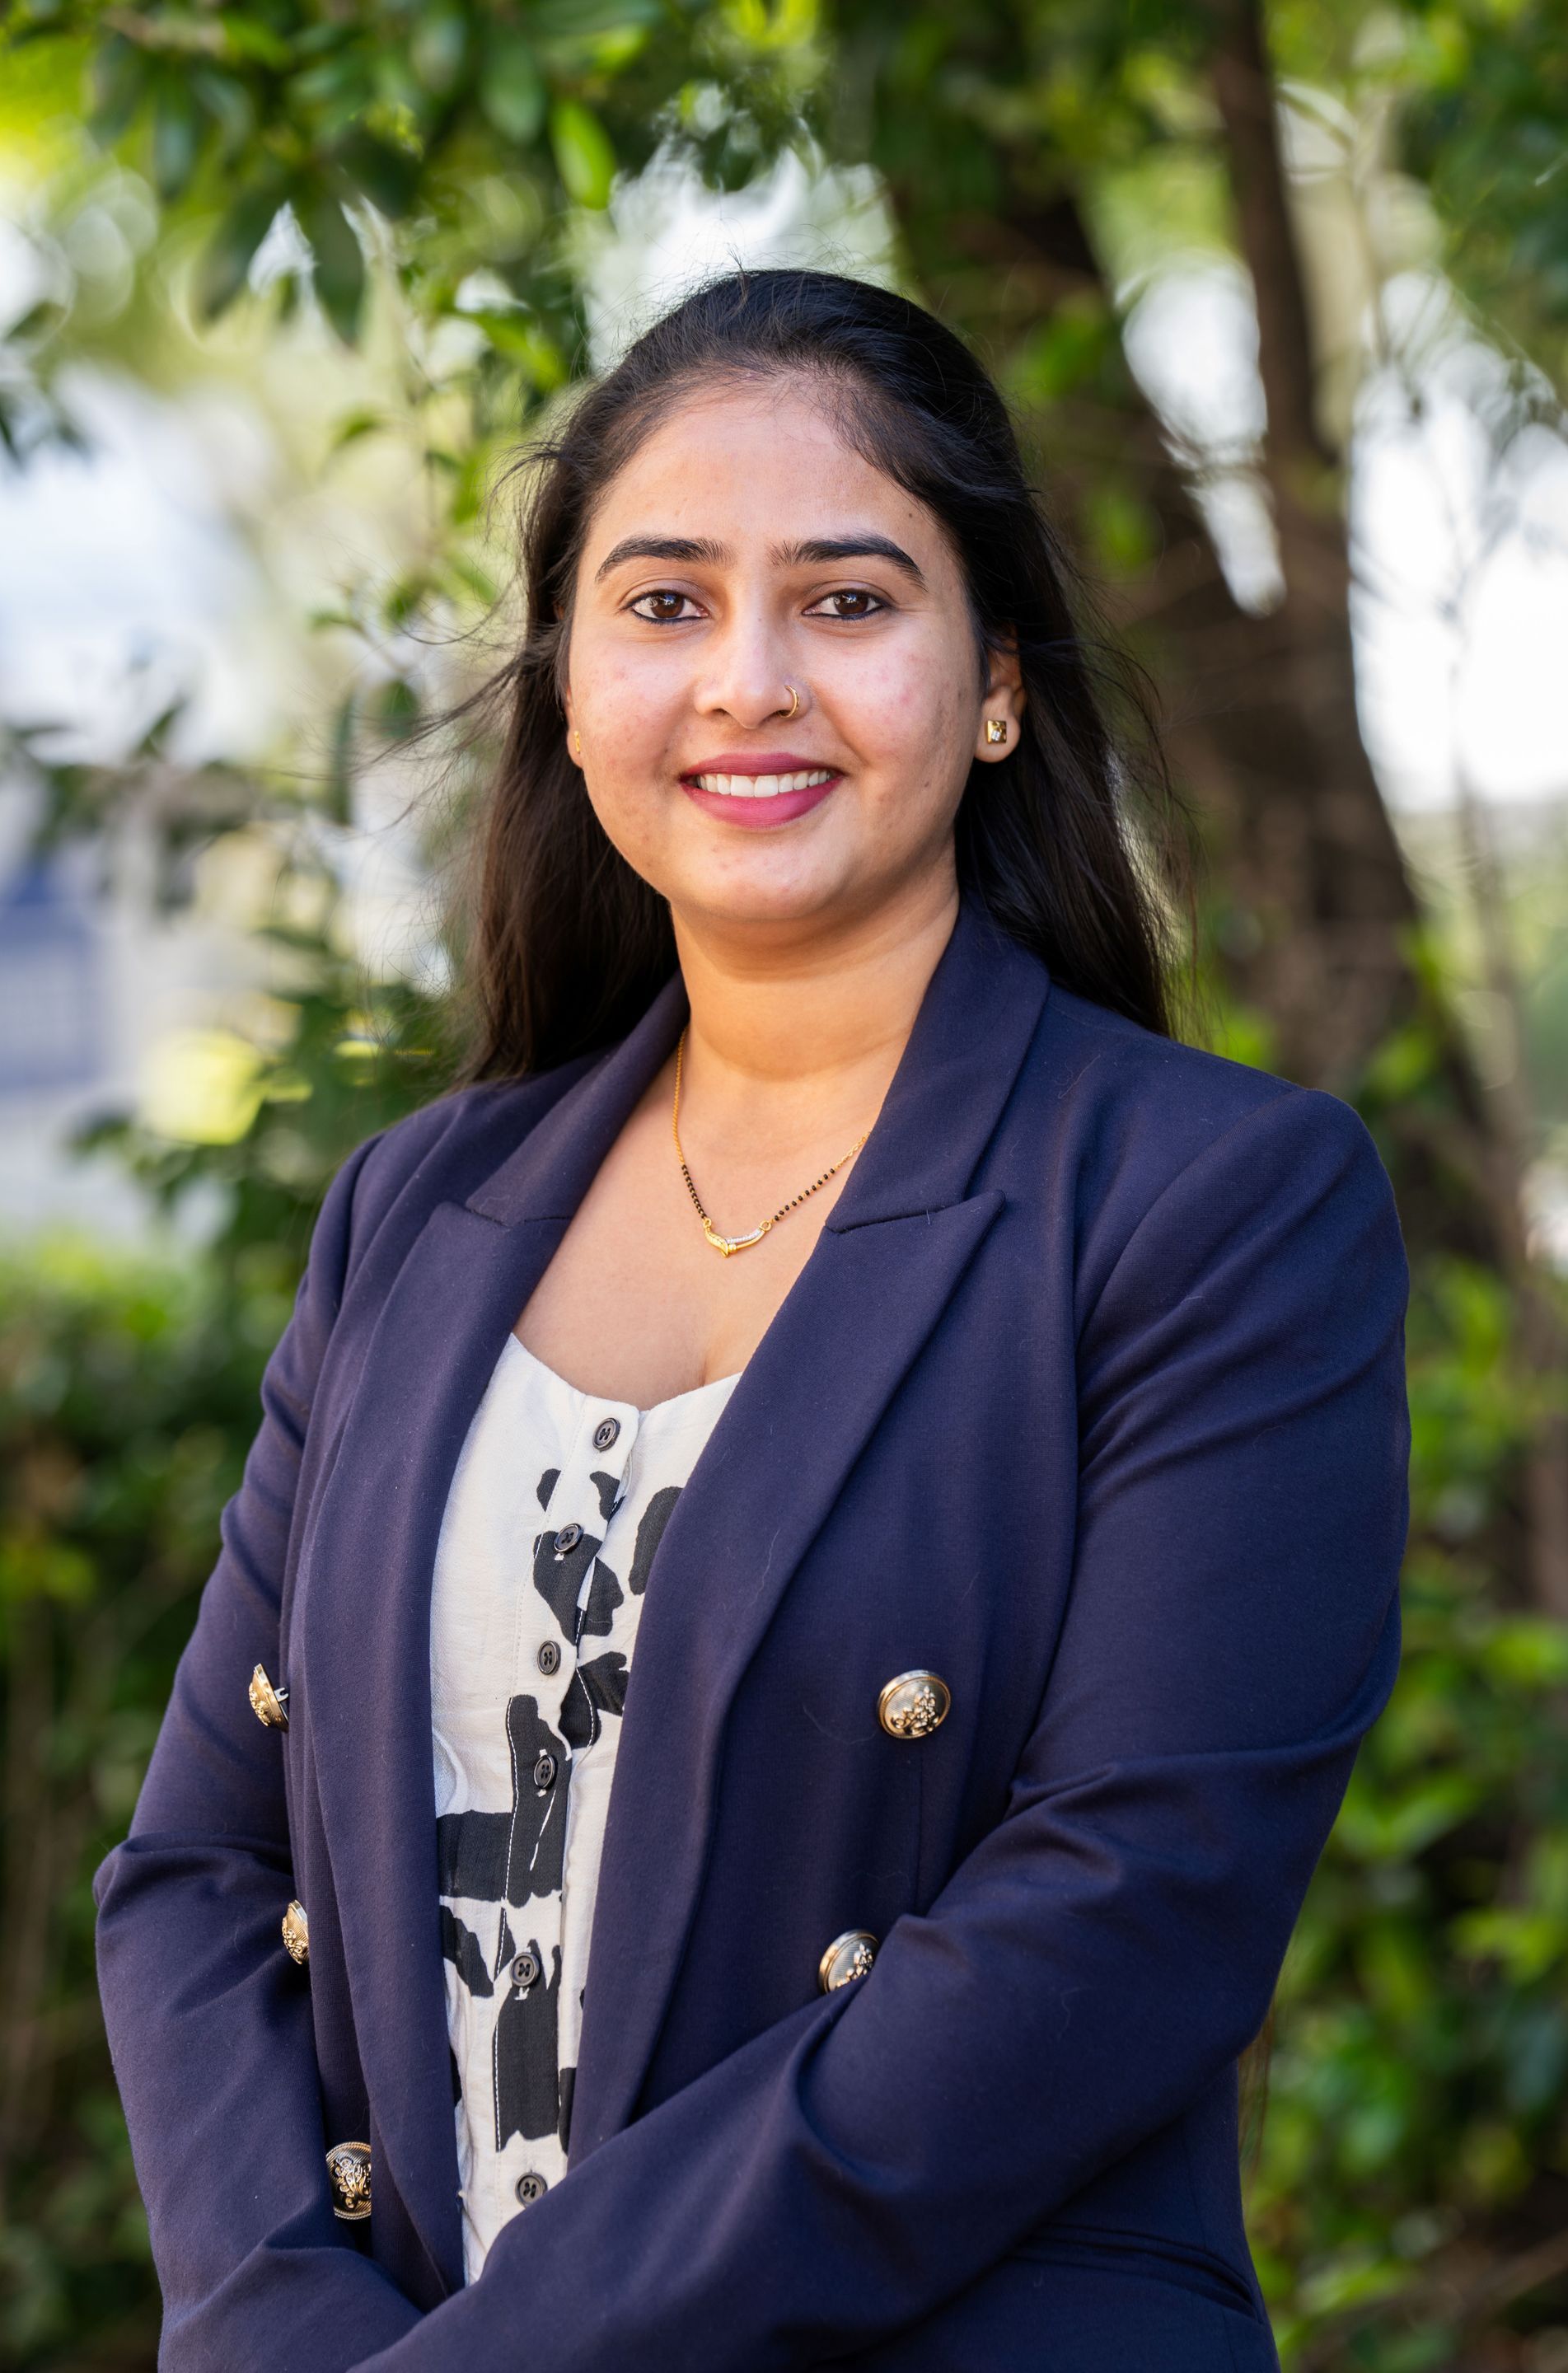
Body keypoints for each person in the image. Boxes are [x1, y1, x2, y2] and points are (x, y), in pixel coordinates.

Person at [94, 267, 1409, 2372]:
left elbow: (1129, 1916)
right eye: (668, 601)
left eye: (853, 601)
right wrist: (271, 2327)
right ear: (569, 680)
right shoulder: (415, 1213)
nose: (751, 682)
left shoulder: (1208, 1205)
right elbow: (194, 1869)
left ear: (994, 686)